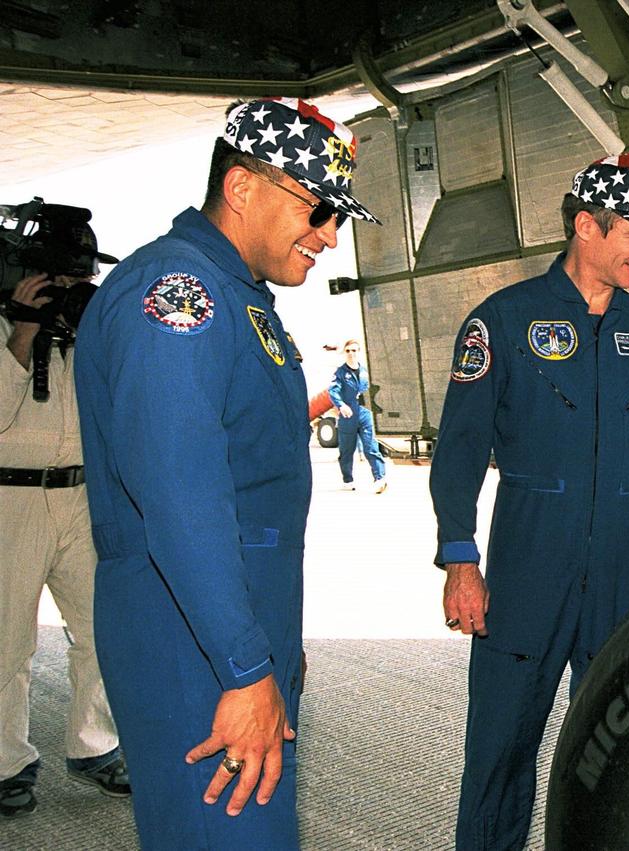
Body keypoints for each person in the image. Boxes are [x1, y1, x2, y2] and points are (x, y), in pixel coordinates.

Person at [75, 97, 380, 847]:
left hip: (228, 626)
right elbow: (181, 497)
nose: (329, 237)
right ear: (242, 188)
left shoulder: (241, 297)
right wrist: (245, 665)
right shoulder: (180, 298)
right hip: (190, 636)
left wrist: (272, 637)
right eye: (316, 211)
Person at [429, 152, 629, 850]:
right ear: (587, 225)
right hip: (529, 562)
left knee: (617, 741)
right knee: (501, 742)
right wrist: (461, 558)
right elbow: (458, 450)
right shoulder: (504, 321)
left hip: (625, 562)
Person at [0, 206, 130, 820]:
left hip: (82, 495)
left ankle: (95, 745)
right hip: (11, 499)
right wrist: (22, 334)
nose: (74, 288)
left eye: (82, 277)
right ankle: (5, 765)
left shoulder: (91, 326)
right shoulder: (6, 322)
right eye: (62, 277)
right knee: (6, 644)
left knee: (105, 627)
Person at [328, 339, 387, 492]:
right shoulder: (340, 372)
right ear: (344, 353)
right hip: (348, 417)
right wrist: (341, 405)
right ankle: (348, 479)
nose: (351, 354)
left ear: (359, 352)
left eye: (354, 350)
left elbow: (374, 390)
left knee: (371, 447)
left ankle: (380, 479)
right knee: (347, 451)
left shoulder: (366, 372)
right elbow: (333, 391)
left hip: (364, 414)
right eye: (348, 351)